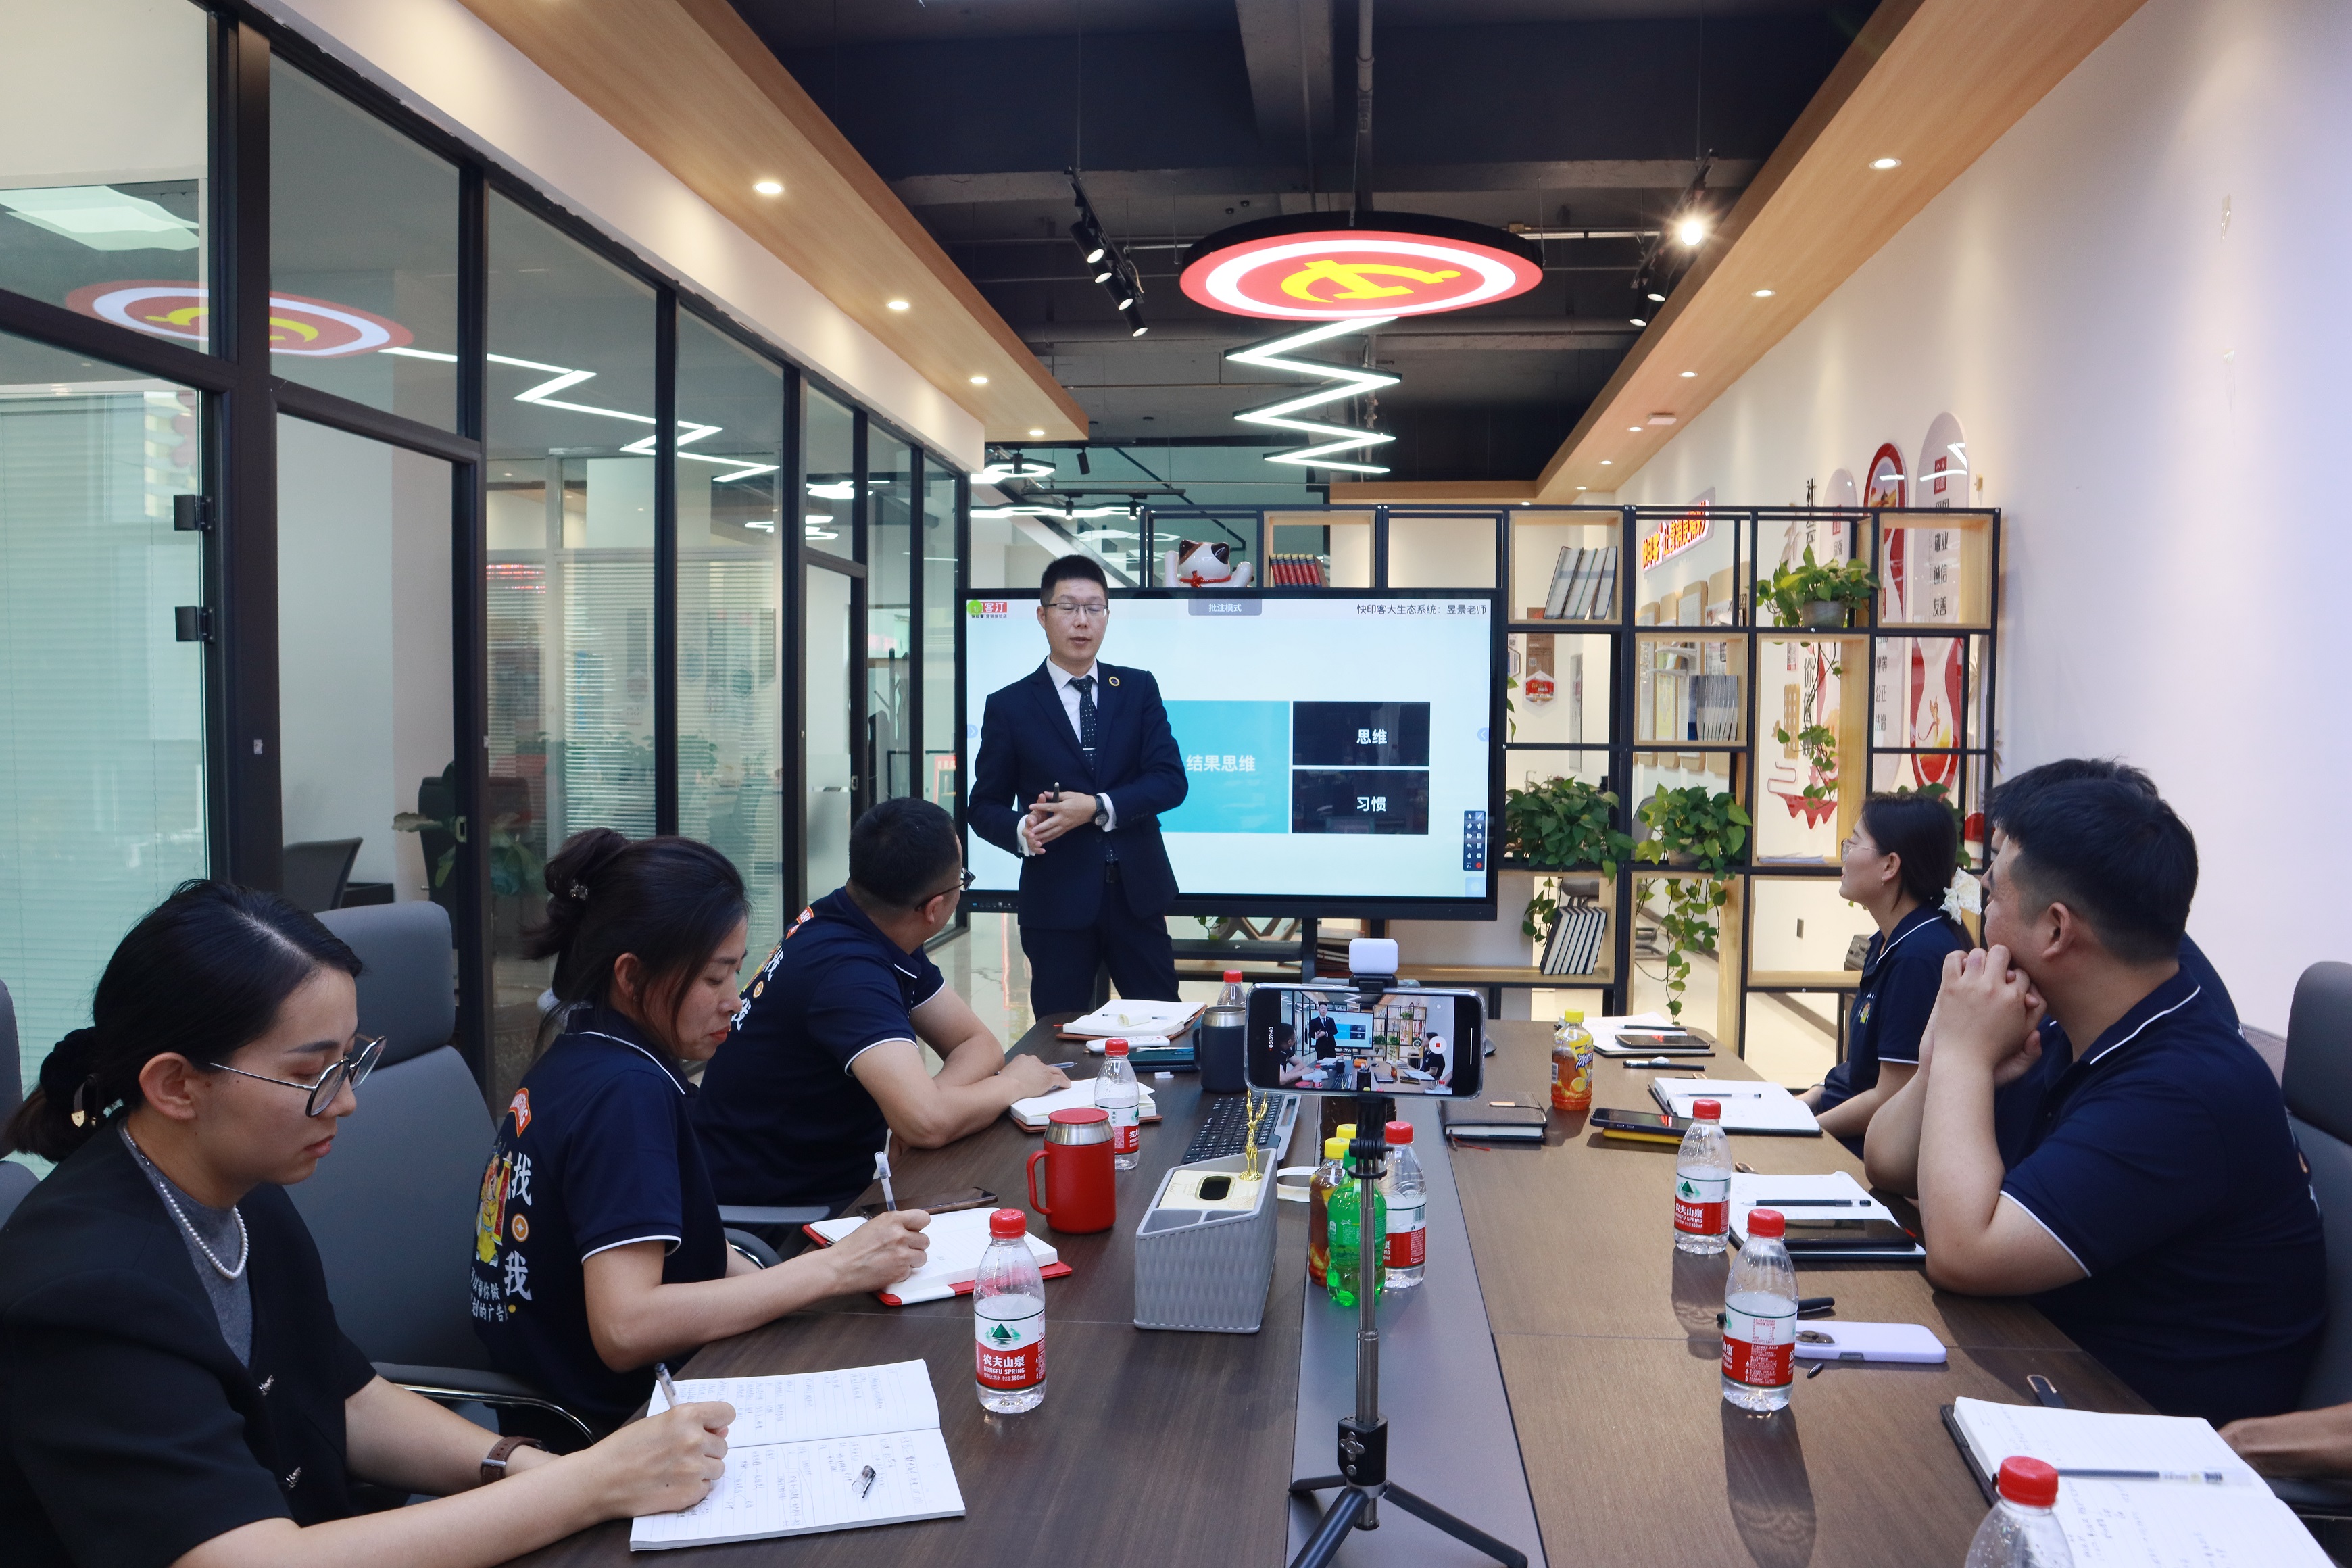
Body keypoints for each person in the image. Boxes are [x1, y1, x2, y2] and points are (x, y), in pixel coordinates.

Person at [0, 881, 733, 1568]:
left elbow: (346, 1394)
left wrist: (524, 1466)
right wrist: (588, 1486)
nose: (347, 1101)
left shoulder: (242, 1191)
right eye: (310, 1074)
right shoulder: (88, 1290)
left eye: (350, 1061)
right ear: (176, 1085)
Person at [1864, 774, 2323, 1425]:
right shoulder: (2064, 1030)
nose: (1980, 917)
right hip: (2041, 1373)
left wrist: (1965, 1056)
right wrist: (1948, 1049)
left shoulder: (2184, 1089)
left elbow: (1963, 1254)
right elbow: (1888, 1161)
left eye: (1992, 896)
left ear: (2055, 929)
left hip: (2143, 1439)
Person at [475, 831, 930, 1434]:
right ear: (632, 976)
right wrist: (835, 1271)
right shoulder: (625, 1094)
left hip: (614, 1397)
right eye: (714, 979)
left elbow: (690, 1253)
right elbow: (625, 1328)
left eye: (737, 973)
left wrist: (806, 1286)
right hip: (614, 1434)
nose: (734, 1002)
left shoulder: (584, 1054)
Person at [694, 798, 1068, 1216]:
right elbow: (929, 1123)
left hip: (822, 1182)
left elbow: (976, 1043)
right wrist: (1013, 1085)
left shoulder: (865, 918)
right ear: (934, 909)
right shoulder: (848, 973)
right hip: (780, 1211)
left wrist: (928, 1103)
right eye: (962, 881)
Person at [969, 554, 1189, 1014]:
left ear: (1107, 614)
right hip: (1056, 900)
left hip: (1137, 894)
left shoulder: (1137, 689)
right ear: (1042, 615)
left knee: (1161, 1023)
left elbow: (1170, 781)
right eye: (1068, 607)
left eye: (1094, 608)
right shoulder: (1010, 706)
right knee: (1060, 1034)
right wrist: (1022, 830)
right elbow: (983, 805)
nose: (1082, 621)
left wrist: (1096, 806)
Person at [1798, 793, 1969, 1155]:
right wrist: (1812, 1096)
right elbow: (1863, 1073)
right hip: (1842, 1121)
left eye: (1853, 843)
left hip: (1869, 1152)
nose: (1844, 855)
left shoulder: (1919, 958)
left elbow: (1891, 1098)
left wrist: (1803, 1127)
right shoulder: (1887, 940)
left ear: (1890, 866)